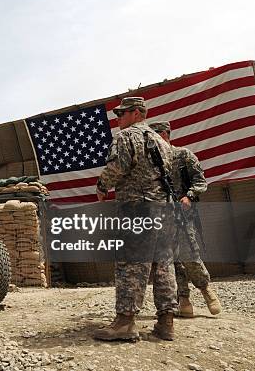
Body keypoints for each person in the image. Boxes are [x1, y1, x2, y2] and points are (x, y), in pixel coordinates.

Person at [94, 97, 178, 341]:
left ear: (137, 113)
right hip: (164, 210)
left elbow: (116, 167)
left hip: (138, 209)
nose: (117, 118)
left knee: (131, 264)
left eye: (121, 114)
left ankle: (125, 322)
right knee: (163, 265)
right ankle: (166, 323)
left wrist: (101, 186)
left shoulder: (127, 136)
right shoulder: (162, 143)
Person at [148, 121, 222, 317]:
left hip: (182, 213)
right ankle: (184, 300)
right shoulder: (152, 164)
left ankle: (206, 289)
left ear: (165, 135)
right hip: (161, 216)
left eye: (155, 136)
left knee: (189, 253)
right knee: (171, 261)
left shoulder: (183, 155)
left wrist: (189, 196)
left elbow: (200, 180)